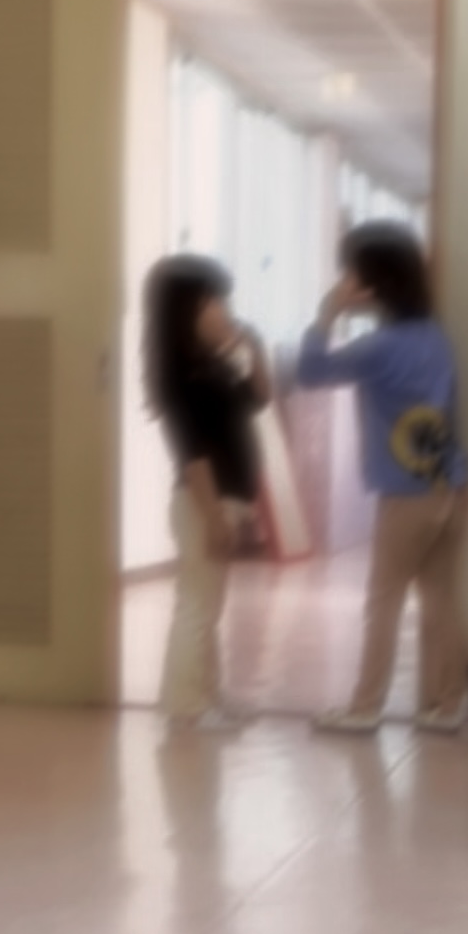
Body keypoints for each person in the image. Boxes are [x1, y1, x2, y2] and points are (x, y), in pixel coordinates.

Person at [296, 222, 468, 735]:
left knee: (384, 601)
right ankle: (449, 704)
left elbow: (310, 372)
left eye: (351, 273)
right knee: (441, 599)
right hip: (451, 486)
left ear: (373, 283)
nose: (345, 282)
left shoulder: (379, 347)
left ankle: (365, 706)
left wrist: (327, 313)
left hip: (405, 495)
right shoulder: (436, 337)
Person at [144, 253, 271, 730]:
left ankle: (209, 697)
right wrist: (215, 515)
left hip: (226, 499)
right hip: (204, 502)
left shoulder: (214, 365)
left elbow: (259, 397)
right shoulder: (181, 376)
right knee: (198, 606)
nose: (223, 310)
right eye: (212, 301)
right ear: (186, 309)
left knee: (208, 605)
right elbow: (192, 455)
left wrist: (250, 346)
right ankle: (186, 705)